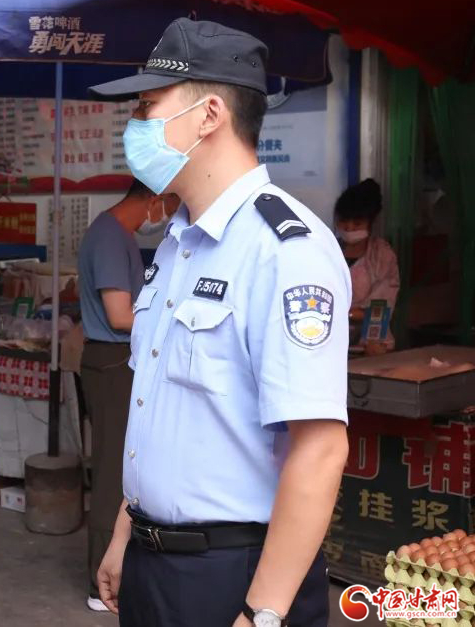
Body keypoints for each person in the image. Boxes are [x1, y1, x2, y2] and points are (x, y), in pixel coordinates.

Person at [88, 18, 350, 627]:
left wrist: (263, 612)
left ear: (208, 115)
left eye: (148, 106)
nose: (134, 125)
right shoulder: (177, 244)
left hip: (235, 573)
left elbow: (320, 448)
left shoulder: (284, 250)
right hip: (153, 560)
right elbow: (161, 414)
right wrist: (127, 533)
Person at [77, 180, 179, 612]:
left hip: (122, 360)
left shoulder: (119, 236)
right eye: (172, 205)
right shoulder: (108, 237)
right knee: (113, 473)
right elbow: (120, 315)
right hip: (112, 362)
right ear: (155, 200)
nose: (171, 216)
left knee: (125, 467)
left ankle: (119, 569)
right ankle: (101, 582)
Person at [334, 179, 400, 350]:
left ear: (370, 223)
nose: (349, 228)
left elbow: (380, 309)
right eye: (344, 221)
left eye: (357, 223)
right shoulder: (327, 250)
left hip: (371, 344)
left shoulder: (382, 255)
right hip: (329, 342)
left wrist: (345, 314)